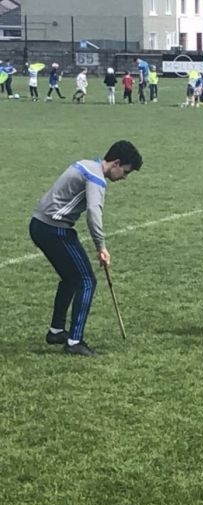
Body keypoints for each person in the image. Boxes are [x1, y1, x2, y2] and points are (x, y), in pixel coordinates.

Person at [29, 140, 143, 357]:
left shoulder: (86, 164)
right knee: (87, 281)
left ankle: (56, 331)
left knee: (71, 279)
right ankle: (74, 341)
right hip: (54, 229)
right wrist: (101, 247)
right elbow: (94, 213)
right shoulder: (96, 178)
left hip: (40, 225)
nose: (124, 178)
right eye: (125, 172)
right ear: (116, 163)